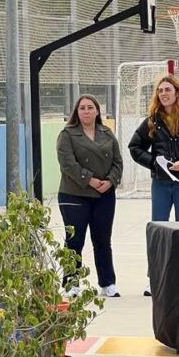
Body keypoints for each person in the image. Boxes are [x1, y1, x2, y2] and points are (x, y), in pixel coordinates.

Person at [57, 95, 122, 298]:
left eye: (90, 107)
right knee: (74, 240)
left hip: (105, 195)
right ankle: (71, 283)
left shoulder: (107, 133)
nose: (86, 111)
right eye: (82, 108)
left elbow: (118, 162)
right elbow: (68, 164)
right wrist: (91, 180)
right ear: (77, 112)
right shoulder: (67, 134)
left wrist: (110, 181)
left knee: (102, 239)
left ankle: (108, 283)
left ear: (97, 111)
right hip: (75, 194)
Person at [128, 75, 179, 297]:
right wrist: (153, 162)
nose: (163, 93)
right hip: (160, 184)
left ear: (177, 92)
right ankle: (154, 278)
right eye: (160, 90)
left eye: (167, 89)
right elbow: (134, 147)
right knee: (158, 231)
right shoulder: (152, 120)